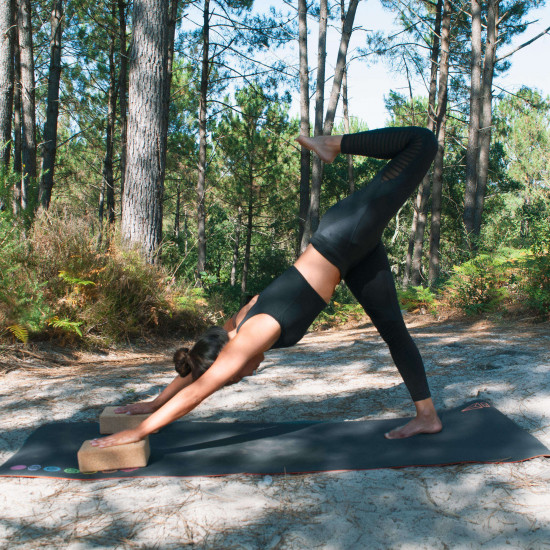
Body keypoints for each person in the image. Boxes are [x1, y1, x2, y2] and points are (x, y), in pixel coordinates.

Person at [91, 126, 442, 450]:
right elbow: (197, 369)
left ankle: (331, 144)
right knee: (395, 332)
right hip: (353, 256)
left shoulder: (250, 336)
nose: (245, 375)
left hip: (346, 235)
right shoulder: (234, 326)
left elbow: (200, 390)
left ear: (229, 360)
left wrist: (139, 430)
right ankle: (427, 416)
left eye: (236, 375)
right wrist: (154, 402)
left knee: (422, 143)